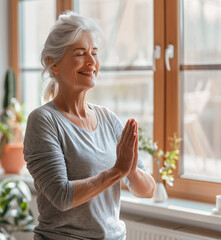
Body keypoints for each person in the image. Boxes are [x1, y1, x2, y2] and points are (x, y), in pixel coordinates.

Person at [23, 11, 155, 240]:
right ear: (52, 64)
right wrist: (117, 171)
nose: (92, 62)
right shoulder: (43, 121)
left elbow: (147, 190)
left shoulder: (108, 118)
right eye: (80, 53)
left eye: (94, 53)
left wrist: (131, 170)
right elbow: (62, 196)